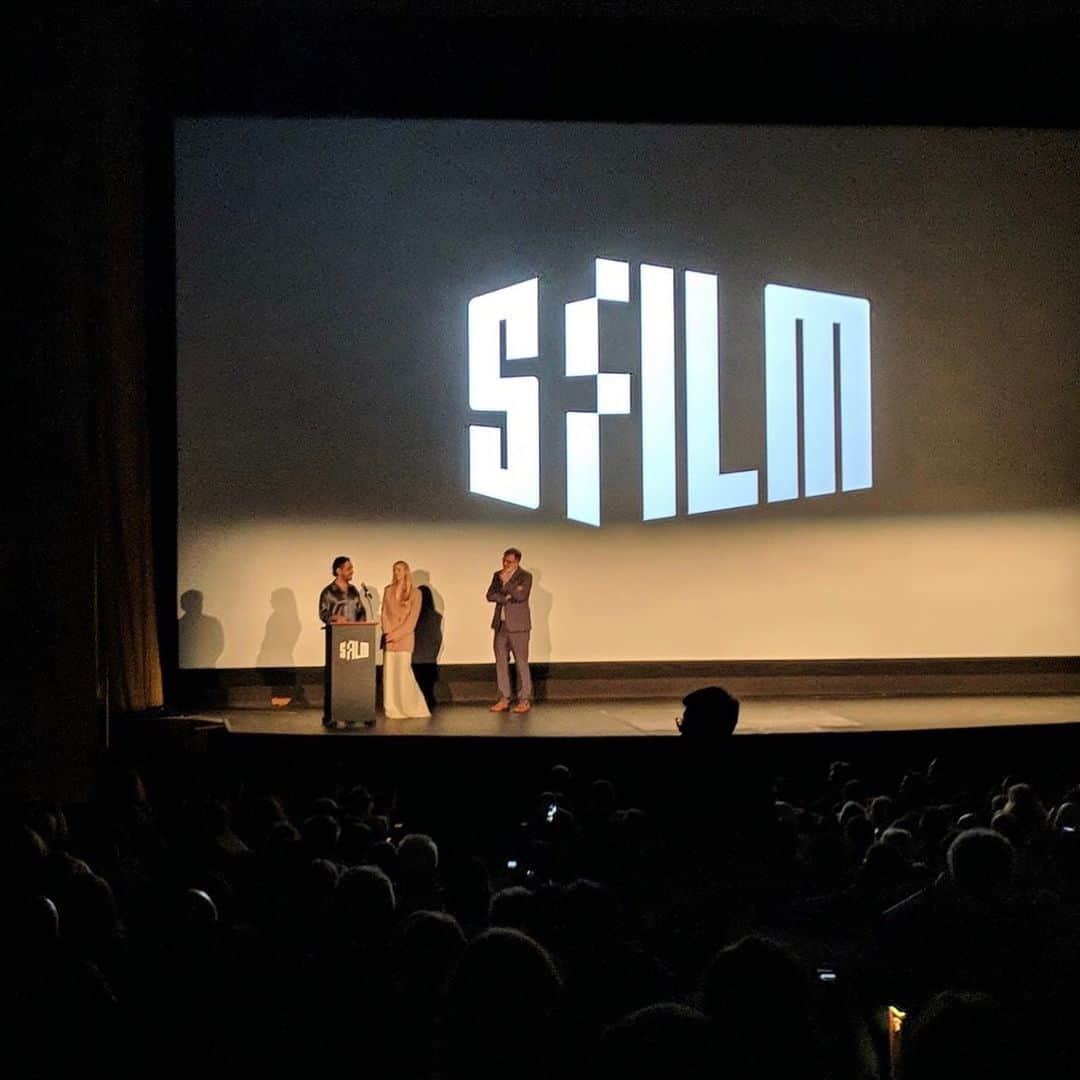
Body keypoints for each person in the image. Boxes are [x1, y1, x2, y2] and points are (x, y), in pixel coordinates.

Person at [380, 561, 430, 719]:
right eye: (394, 570)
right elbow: (384, 614)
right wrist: (388, 632)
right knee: (390, 676)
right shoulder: (388, 590)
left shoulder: (415, 593)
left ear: (406, 572)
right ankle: (393, 709)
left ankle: (413, 707)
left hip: (404, 638)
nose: (397, 573)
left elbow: (412, 621)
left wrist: (396, 635)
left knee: (403, 675)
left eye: (400, 570)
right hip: (390, 639)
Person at [486, 547, 533, 713]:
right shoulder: (497, 575)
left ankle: (524, 699)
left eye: (509, 562)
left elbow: (521, 596)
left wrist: (507, 584)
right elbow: (490, 595)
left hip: (519, 626)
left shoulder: (525, 576)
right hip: (501, 625)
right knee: (501, 662)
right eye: (504, 560)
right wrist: (505, 597)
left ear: (517, 562)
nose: (505, 564)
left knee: (521, 662)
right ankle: (504, 698)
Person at [319, 556, 368, 625]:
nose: (352, 572)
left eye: (352, 569)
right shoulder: (328, 592)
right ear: (338, 571)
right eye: (349, 569)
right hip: (336, 633)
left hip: (355, 633)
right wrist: (335, 618)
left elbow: (361, 611)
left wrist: (362, 625)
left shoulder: (353, 590)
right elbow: (323, 614)